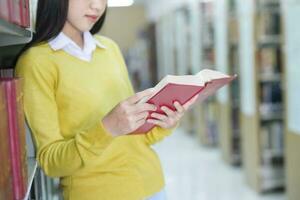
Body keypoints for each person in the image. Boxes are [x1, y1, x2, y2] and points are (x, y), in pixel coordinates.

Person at [15, 0, 198, 199]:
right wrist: (107, 128)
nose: (97, 6)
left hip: (153, 185)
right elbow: (52, 163)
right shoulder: (37, 62)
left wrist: (166, 122)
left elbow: (139, 136)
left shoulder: (110, 49)